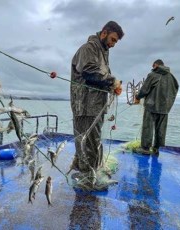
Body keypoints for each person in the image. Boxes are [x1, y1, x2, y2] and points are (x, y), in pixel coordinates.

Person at [70, 21, 124, 174]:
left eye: (116, 42)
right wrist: (112, 81)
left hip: (97, 105)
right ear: (104, 33)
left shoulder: (102, 53)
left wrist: (111, 87)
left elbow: (100, 79)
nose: (113, 44)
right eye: (113, 39)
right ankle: (88, 177)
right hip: (85, 105)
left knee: (94, 141)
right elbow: (89, 72)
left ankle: (89, 171)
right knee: (87, 143)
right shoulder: (88, 48)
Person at [134, 59, 179, 154]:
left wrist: (137, 97)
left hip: (151, 106)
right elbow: (175, 89)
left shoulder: (153, 75)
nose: (152, 69)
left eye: (152, 67)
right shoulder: (172, 77)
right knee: (161, 129)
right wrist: (168, 103)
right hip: (165, 108)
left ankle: (145, 149)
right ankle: (156, 149)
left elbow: (144, 89)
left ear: (155, 65)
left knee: (148, 127)